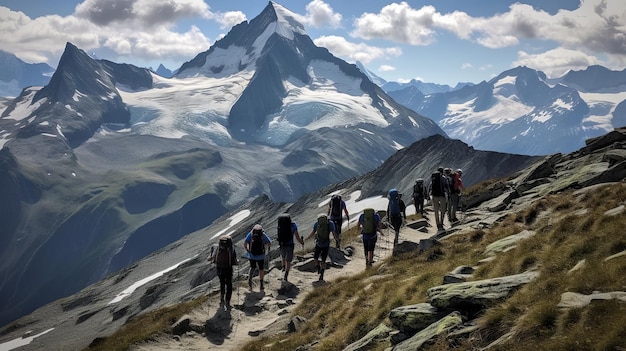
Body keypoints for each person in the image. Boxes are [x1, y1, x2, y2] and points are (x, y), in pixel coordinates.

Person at [208, 235, 238, 309]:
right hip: (228, 268)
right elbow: (234, 259)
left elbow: (211, 258)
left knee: (222, 283)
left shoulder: (216, 247)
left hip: (219, 268)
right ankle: (228, 301)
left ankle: (222, 298)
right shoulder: (231, 248)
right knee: (229, 284)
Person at [305, 214, 338, 281]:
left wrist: (306, 239)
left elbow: (313, 232)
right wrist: (337, 240)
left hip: (318, 243)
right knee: (323, 260)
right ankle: (322, 274)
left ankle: (318, 268)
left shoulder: (317, 223)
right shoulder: (330, 223)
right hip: (326, 244)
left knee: (315, 257)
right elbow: (333, 233)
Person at [276, 213, 304, 282]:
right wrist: (301, 242)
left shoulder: (280, 225)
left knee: (283, 256)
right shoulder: (293, 225)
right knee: (288, 260)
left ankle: (283, 268)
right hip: (290, 244)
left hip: (282, 244)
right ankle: (286, 274)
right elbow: (297, 236)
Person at [243, 224, 271, 290]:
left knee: (252, 267)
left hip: (252, 255)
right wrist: (264, 248)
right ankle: (261, 284)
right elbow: (269, 243)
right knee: (261, 268)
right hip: (261, 255)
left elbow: (245, 243)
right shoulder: (263, 235)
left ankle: (250, 281)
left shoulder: (251, 234)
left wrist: (248, 250)